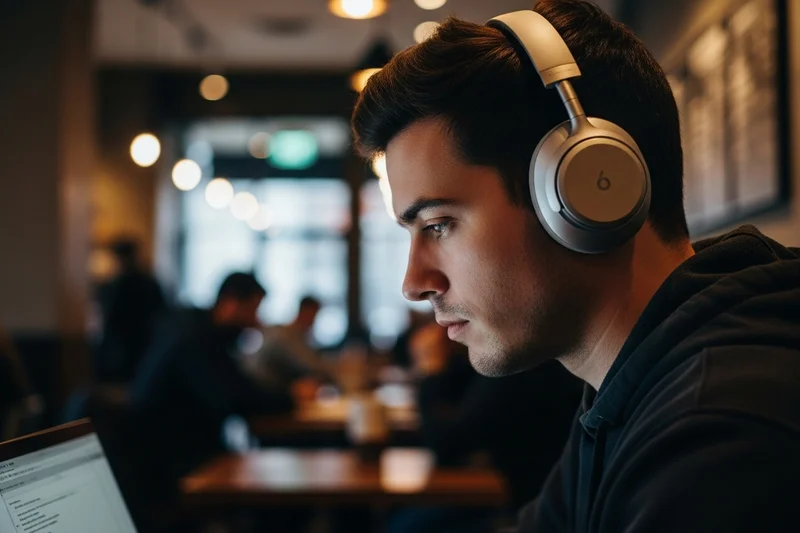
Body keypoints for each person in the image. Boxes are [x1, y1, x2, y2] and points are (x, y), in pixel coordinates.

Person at [350, 1, 800, 531]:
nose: (414, 283)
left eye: (439, 224)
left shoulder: (719, 440)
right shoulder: (627, 385)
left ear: (584, 190)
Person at [388, 323, 581, 533]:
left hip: (518, 506)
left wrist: (431, 371)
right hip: (513, 495)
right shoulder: (507, 360)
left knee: (403, 527)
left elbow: (448, 447)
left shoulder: (520, 367)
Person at [127, 272, 294, 504]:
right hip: (175, 466)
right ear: (231, 303)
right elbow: (236, 399)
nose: (256, 321)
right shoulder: (195, 340)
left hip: (178, 455)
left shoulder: (197, 331)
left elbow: (239, 388)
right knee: (273, 490)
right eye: (252, 310)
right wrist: (290, 398)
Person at [95, 237, 166, 384]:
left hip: (123, 350)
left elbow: (110, 319)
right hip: (146, 348)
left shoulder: (117, 285)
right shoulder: (149, 283)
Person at [248, 295, 332, 392]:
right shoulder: (285, 335)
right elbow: (306, 363)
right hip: (269, 388)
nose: (313, 320)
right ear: (303, 311)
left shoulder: (302, 336)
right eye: (313, 314)